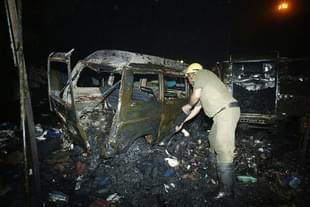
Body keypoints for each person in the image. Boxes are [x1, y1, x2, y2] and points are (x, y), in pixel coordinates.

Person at [176, 63, 240, 199]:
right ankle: (213, 173)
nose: (188, 80)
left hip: (226, 112)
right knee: (212, 140)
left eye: (188, 77)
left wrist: (188, 104)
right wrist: (183, 122)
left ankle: (227, 190)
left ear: (192, 74)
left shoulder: (202, 74)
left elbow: (194, 98)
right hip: (220, 115)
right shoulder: (205, 85)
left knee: (223, 149)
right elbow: (197, 109)